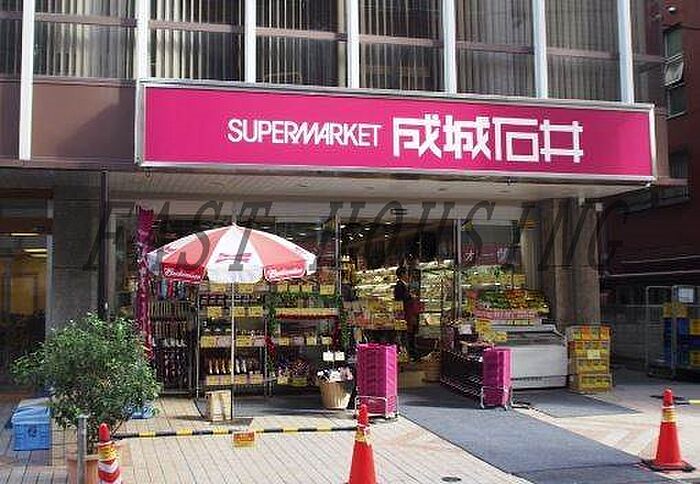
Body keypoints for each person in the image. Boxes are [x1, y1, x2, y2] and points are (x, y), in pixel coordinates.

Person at [394, 266, 418, 359]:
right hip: (405, 312)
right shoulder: (399, 285)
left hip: (406, 312)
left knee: (408, 332)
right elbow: (402, 299)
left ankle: (409, 352)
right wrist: (411, 297)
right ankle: (407, 353)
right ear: (402, 274)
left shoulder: (403, 285)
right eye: (406, 273)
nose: (408, 275)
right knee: (406, 333)